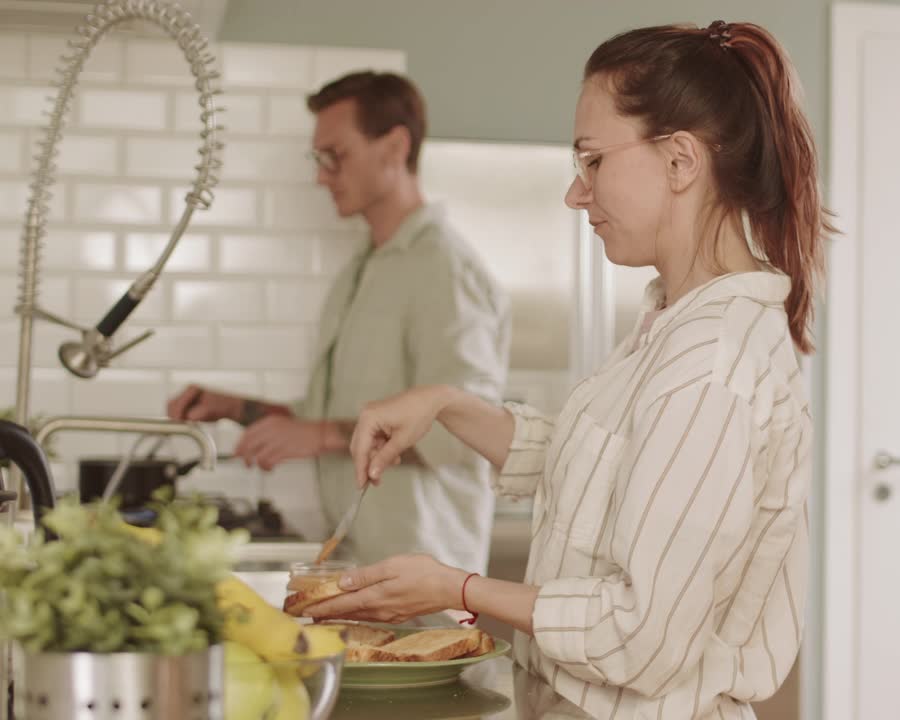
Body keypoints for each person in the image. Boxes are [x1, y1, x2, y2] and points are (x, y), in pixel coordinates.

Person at [307, 21, 832, 717]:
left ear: (680, 162)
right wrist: (446, 403)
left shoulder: (712, 361)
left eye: (592, 161)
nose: (575, 194)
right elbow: (594, 468)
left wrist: (455, 589)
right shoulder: (672, 323)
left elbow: (640, 632)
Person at [166, 72, 510, 574]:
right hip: (364, 565)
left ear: (394, 147)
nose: (322, 175)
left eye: (336, 155)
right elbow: (332, 417)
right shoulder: (364, 268)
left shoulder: (446, 272)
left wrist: (318, 434)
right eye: (319, 159)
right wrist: (238, 407)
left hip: (425, 577)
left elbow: (463, 433)